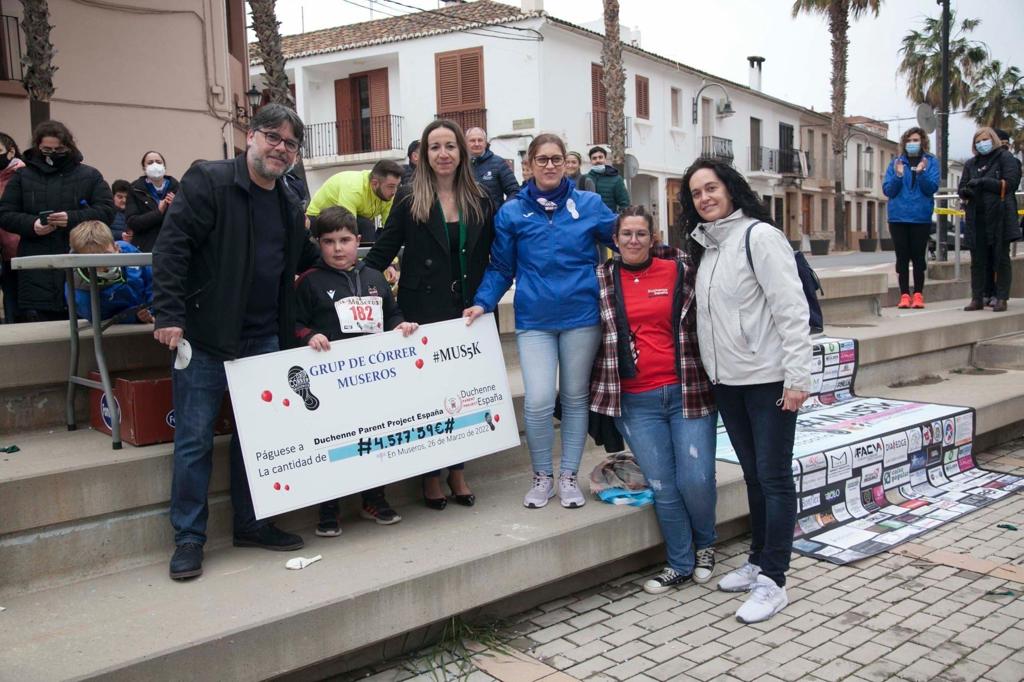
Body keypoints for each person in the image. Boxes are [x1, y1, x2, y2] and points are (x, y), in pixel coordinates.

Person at [152, 103, 319, 581]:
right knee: (194, 442)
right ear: (250, 135)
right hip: (204, 338)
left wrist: (358, 264)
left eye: (290, 143)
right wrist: (169, 313)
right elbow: (172, 248)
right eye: (273, 137)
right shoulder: (209, 181)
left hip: (264, 338)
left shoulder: (289, 200)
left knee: (257, 440)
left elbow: (303, 256)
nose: (280, 148)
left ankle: (252, 524)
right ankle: (189, 539)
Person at [682, 157, 811, 624]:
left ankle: (774, 580)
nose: (705, 198)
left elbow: (791, 309)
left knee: (773, 478)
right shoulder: (707, 247)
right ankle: (758, 560)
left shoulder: (760, 237)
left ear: (731, 189)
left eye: (711, 188)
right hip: (728, 381)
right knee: (754, 477)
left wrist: (797, 378)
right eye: (696, 193)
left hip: (768, 378)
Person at [465, 133, 617, 510]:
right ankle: (542, 476)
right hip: (534, 319)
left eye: (556, 158)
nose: (549, 165)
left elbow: (627, 241)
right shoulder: (512, 212)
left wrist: (659, 262)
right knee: (537, 401)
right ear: (528, 165)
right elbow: (502, 266)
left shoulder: (589, 204)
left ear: (566, 162)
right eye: (542, 159)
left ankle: (568, 476)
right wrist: (482, 302)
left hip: (582, 317)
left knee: (575, 397)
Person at [365, 119, 494, 509]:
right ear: (423, 154)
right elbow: (380, 253)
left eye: (450, 146)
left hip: (468, 311)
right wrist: (355, 284)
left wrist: (487, 298)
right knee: (431, 396)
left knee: (464, 393)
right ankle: (431, 475)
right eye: (435, 147)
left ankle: (458, 470)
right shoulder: (409, 198)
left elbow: (495, 254)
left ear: (462, 152)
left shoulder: (482, 198)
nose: (443, 154)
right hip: (422, 312)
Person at [590, 206, 717, 594]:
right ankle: (679, 563)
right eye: (626, 234)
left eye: (641, 234)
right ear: (615, 240)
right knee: (662, 484)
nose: (633, 240)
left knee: (695, 478)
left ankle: (705, 547)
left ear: (653, 237)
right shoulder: (601, 278)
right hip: (636, 401)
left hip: (687, 391)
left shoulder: (680, 269)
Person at [294, 206, 418, 535]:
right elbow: (293, 323)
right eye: (329, 241)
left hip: (372, 381)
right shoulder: (308, 282)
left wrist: (400, 325)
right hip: (328, 383)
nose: (337, 248)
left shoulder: (375, 277)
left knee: (374, 439)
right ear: (318, 243)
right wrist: (309, 336)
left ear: (358, 240)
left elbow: (391, 313)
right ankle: (329, 507)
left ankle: (374, 499)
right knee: (332, 443)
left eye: (345, 240)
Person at [0, 120, 115, 322]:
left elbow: (106, 211)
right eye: (46, 149)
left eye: (58, 149)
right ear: (38, 147)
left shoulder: (89, 175)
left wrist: (71, 218)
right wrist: (33, 225)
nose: (52, 154)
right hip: (37, 265)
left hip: (79, 259)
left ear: (68, 146)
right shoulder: (22, 176)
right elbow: (5, 214)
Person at [959, 127, 1021, 312]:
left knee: (1001, 257)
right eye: (978, 141)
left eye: (985, 140)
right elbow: (962, 186)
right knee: (977, 260)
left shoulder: (1005, 158)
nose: (981, 144)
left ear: (993, 140)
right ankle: (977, 297)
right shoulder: (971, 163)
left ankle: (1001, 297)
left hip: (999, 215)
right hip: (976, 216)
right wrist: (966, 191)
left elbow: (1010, 183)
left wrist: (984, 182)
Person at [882, 127, 939, 309]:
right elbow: (888, 190)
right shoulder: (896, 162)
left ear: (922, 142)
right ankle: (904, 295)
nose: (912, 143)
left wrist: (921, 173)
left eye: (916, 140)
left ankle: (919, 294)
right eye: (909, 140)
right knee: (902, 258)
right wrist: (898, 175)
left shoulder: (931, 162)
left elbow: (931, 188)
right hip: (898, 217)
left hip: (920, 217)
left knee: (918, 257)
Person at [66, 220, 153, 323]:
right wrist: (134, 317)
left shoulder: (128, 251)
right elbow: (101, 318)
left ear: (116, 247)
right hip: (122, 324)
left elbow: (152, 280)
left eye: (106, 254)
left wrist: (155, 310)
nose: (103, 265)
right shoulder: (80, 291)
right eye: (93, 260)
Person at [306, 160, 403, 244]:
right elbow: (346, 226)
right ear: (374, 183)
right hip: (317, 218)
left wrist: (394, 258)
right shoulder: (354, 188)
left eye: (397, 186)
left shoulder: (387, 195)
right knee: (366, 226)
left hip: (348, 217)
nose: (394, 191)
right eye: (391, 186)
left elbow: (390, 228)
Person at [124, 151, 179, 253]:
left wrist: (176, 206)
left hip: (172, 247)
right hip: (145, 247)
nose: (155, 165)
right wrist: (158, 212)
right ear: (144, 168)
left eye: (158, 162)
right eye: (150, 163)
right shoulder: (135, 190)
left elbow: (186, 219)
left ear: (164, 166)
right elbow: (132, 222)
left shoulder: (178, 188)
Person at [0, 132, 25, 323]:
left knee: (18, 304)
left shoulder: (23, 175)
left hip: (19, 250)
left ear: (11, 151)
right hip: (3, 251)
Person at [466, 127, 520, 208]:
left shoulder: (499, 163)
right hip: (468, 216)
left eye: (480, 140)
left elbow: (514, 191)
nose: (477, 144)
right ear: (466, 143)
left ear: (485, 143)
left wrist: (503, 211)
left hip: (494, 216)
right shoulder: (460, 165)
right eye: (472, 140)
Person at [586, 146, 629, 212]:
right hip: (590, 218)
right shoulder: (585, 179)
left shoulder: (616, 179)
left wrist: (616, 217)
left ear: (605, 159)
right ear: (590, 161)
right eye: (594, 158)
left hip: (609, 218)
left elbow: (624, 204)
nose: (598, 160)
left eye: (600, 157)